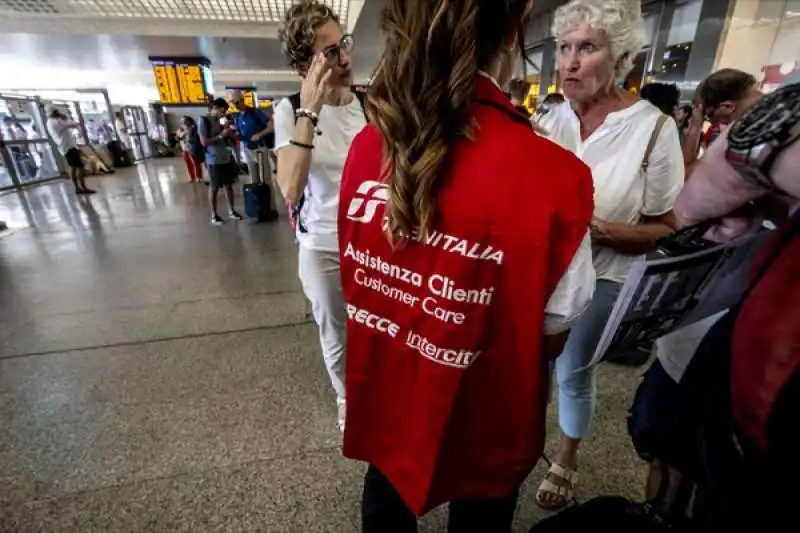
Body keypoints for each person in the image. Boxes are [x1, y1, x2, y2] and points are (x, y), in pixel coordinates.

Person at [339, 0, 596, 530]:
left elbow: (358, 278)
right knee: (481, 513)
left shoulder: (369, 146)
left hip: (389, 390)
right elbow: (553, 331)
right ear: (513, 30)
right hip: (487, 413)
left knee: (384, 495)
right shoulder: (554, 175)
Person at [535, 0, 684, 509]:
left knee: (572, 367)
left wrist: (601, 231)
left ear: (620, 59)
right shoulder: (548, 120)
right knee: (529, 364)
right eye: (564, 48)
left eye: (587, 48)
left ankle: (566, 454)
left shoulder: (654, 129)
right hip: (543, 270)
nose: (570, 62)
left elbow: (667, 226)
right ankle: (520, 440)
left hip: (605, 273)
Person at [274, 0, 366, 430]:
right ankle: (346, 395)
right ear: (303, 65)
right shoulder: (289, 111)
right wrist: (310, 109)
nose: (344, 58)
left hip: (373, 242)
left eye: (342, 45)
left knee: (377, 325)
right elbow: (291, 189)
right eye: (329, 53)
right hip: (323, 244)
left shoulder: (369, 105)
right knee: (337, 331)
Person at [683, 69, 762, 167]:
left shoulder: (747, 137)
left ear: (727, 107)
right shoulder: (777, 112)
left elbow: (687, 175)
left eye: (708, 116)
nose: (714, 124)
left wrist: (695, 127)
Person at [198, 98, 243, 225]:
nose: (222, 114)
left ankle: (232, 211)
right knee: (214, 187)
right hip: (213, 159)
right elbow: (204, 142)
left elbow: (227, 136)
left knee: (228, 185)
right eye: (222, 111)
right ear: (215, 108)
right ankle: (214, 215)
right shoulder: (204, 121)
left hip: (225, 156)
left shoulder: (220, 120)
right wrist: (220, 136)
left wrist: (228, 132)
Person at [46, 105, 95, 194]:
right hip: (68, 147)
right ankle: (83, 188)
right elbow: (72, 124)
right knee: (80, 167)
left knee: (74, 167)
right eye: (57, 112)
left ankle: (78, 188)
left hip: (68, 147)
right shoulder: (55, 122)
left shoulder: (51, 122)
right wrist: (70, 118)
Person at [231, 90, 274, 184]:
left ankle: (268, 197)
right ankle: (257, 196)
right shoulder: (237, 118)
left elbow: (271, 126)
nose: (236, 105)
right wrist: (234, 135)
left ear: (242, 100)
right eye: (234, 103)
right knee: (254, 179)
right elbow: (239, 135)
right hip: (248, 149)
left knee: (265, 178)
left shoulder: (255, 112)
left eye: (237, 102)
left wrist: (259, 134)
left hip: (260, 148)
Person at [176, 116, 203, 183]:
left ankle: (198, 177)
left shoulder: (194, 128)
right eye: (182, 121)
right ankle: (192, 177)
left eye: (185, 120)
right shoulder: (180, 129)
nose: (183, 122)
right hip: (185, 148)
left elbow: (197, 138)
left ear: (189, 121)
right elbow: (178, 137)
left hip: (193, 148)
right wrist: (180, 136)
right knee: (188, 163)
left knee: (195, 163)